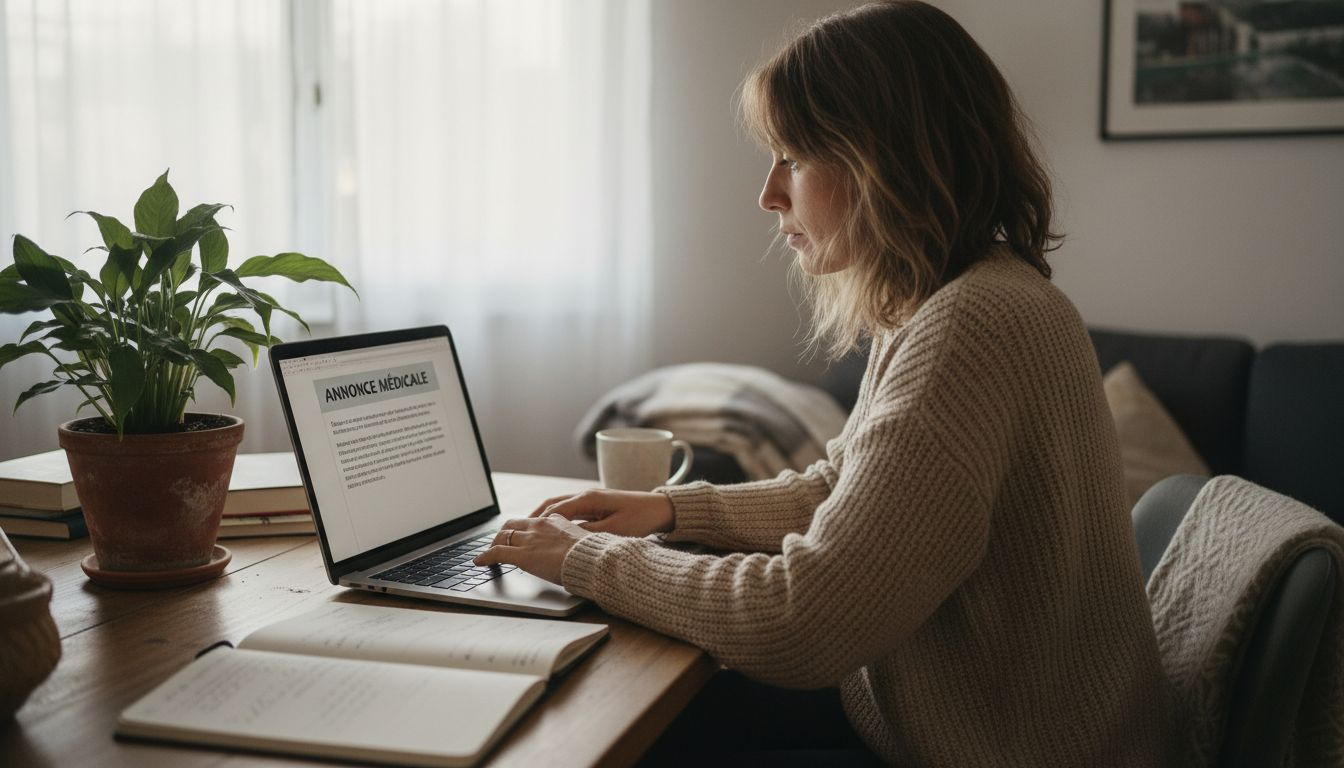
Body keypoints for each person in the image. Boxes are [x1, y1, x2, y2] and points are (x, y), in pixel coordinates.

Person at [476, 1, 1174, 764]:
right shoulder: (954, 298)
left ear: (886, 159)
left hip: (998, 750)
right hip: (948, 726)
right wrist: (670, 509)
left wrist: (584, 559)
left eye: (794, 158)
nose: (769, 194)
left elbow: (803, 624)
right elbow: (843, 491)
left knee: (604, 727)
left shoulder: (971, 327)